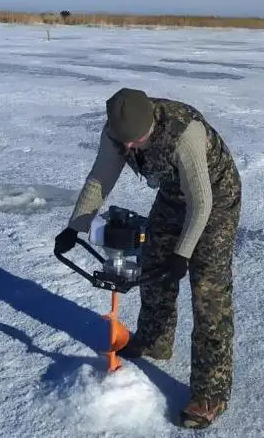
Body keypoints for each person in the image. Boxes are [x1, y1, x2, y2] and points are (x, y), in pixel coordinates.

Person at [54, 87, 241, 429]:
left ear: (152, 125)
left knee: (208, 293)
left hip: (215, 200)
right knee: (153, 264)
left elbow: (201, 205)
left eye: (136, 142)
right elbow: (100, 178)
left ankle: (210, 393)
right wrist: (75, 226)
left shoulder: (186, 134)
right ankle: (155, 340)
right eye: (125, 143)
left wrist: (183, 254)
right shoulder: (117, 132)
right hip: (173, 195)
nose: (129, 149)